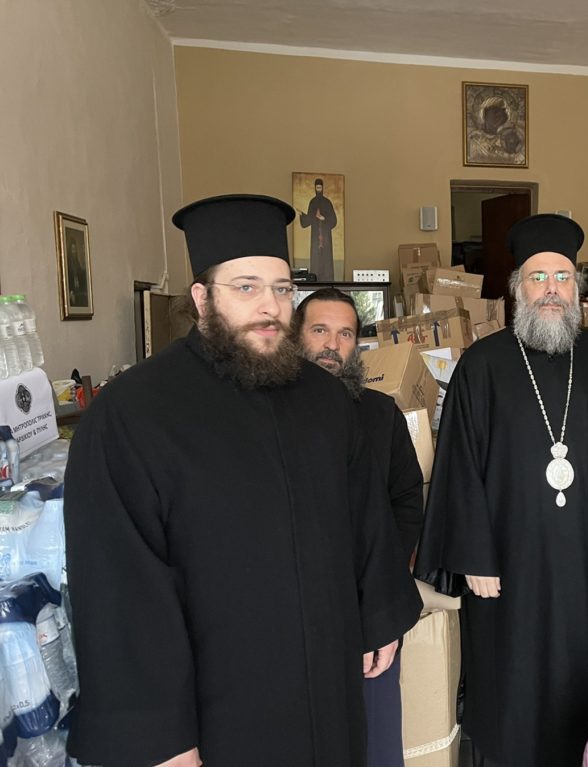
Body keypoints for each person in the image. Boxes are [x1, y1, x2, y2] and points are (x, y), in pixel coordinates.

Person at [63, 194, 421, 767]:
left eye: (281, 289)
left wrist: (380, 615)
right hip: (219, 709)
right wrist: (160, 740)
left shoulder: (325, 399)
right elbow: (119, 591)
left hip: (327, 685)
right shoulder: (133, 413)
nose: (270, 307)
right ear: (202, 298)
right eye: (246, 287)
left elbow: (366, 519)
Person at [414, 214, 588, 767]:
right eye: (538, 277)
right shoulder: (482, 365)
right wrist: (474, 555)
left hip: (586, 564)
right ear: (517, 288)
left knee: (581, 680)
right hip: (505, 565)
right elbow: (458, 463)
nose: (550, 289)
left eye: (562, 277)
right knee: (510, 688)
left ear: (577, 291)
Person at [293, 287, 423, 767]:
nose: (332, 344)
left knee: (373, 740)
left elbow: (406, 502)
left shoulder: (380, 414)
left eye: (345, 334)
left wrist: (382, 590)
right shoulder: (265, 414)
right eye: (320, 330)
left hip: (368, 604)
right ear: (295, 337)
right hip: (292, 610)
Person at [298, 178, 338, 280]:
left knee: (326, 260)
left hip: (326, 238)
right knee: (316, 260)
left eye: (320, 187)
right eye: (317, 188)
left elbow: (334, 220)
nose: (319, 189)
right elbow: (309, 220)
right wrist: (302, 215)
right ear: (315, 188)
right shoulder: (312, 202)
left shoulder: (327, 202)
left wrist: (323, 218)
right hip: (315, 238)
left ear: (322, 188)